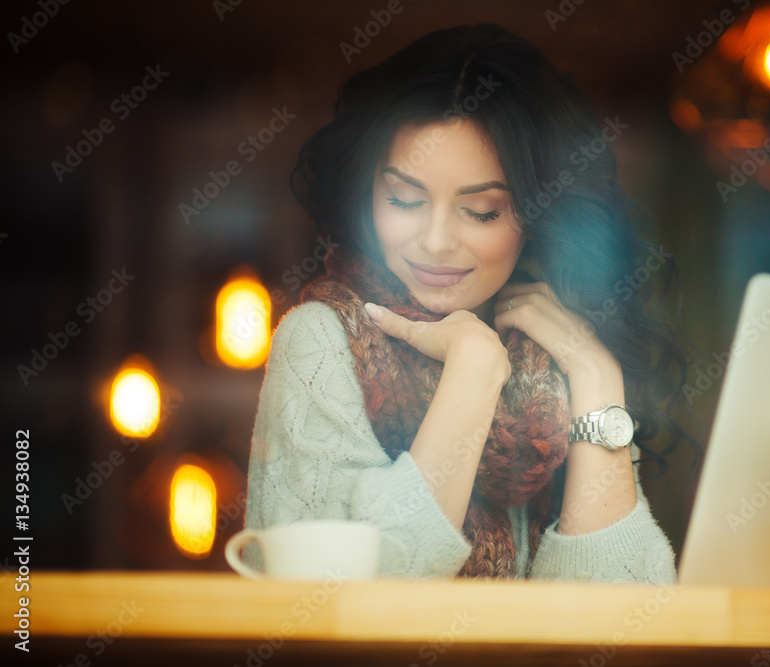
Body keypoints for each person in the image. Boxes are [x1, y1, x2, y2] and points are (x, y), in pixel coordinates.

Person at [243, 23, 691, 582]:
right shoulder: (321, 341)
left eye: (481, 212)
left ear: (537, 217)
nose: (434, 241)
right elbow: (342, 604)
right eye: (404, 199)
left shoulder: (559, 353)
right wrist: (472, 372)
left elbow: (623, 624)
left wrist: (595, 373)